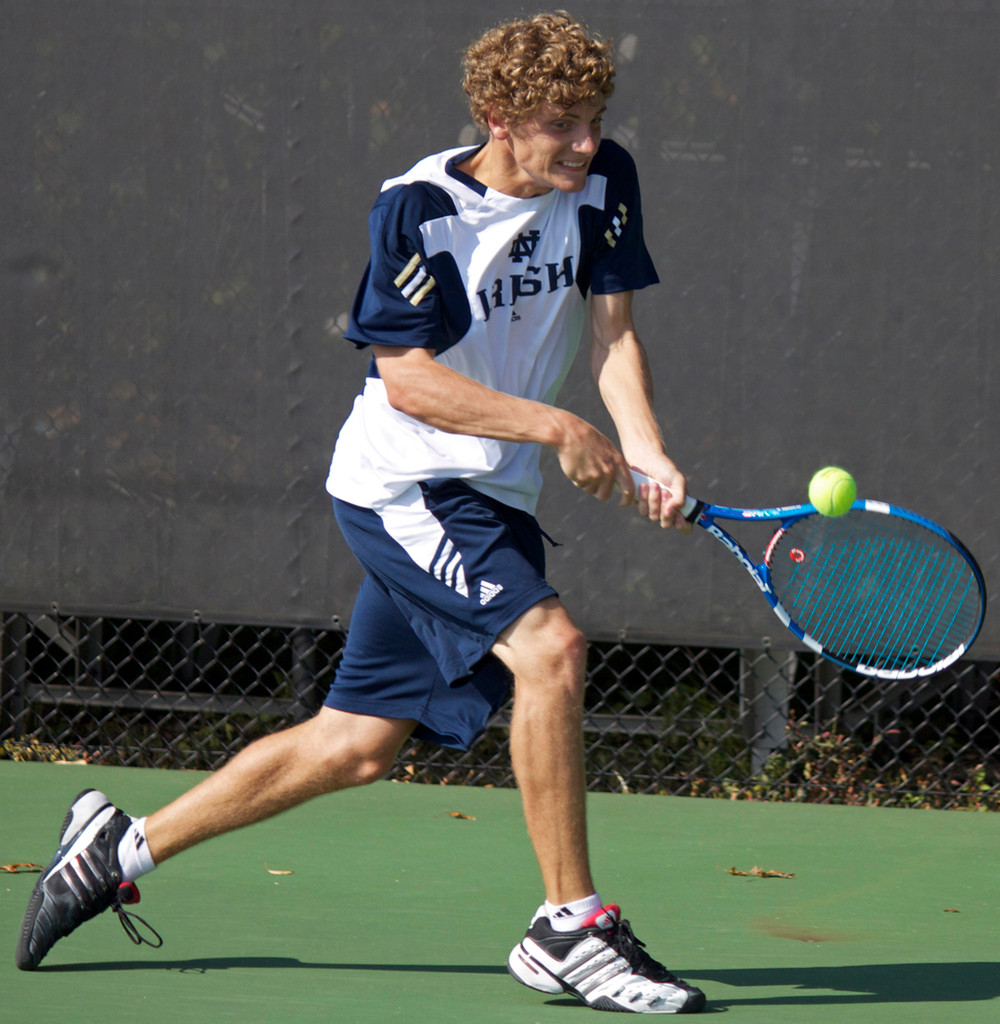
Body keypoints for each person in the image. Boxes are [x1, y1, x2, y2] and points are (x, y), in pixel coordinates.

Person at [16, 11, 705, 1015]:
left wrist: (643, 450)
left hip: (487, 493)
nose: (586, 143)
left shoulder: (604, 181)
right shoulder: (417, 210)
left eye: (595, 119)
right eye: (562, 123)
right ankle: (570, 926)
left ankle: (118, 848)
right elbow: (410, 380)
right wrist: (557, 429)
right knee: (550, 649)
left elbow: (612, 335)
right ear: (497, 118)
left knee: (355, 745)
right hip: (405, 486)